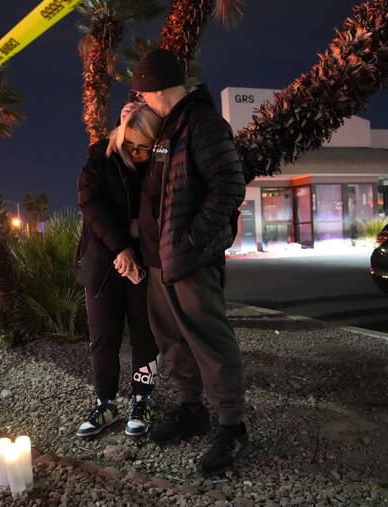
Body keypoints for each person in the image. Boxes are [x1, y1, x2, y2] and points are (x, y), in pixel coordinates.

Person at [131, 48, 249, 475]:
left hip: (190, 259)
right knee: (174, 342)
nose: (140, 99)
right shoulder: (168, 128)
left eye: (142, 93)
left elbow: (230, 186)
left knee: (211, 342)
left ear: (157, 88)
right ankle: (190, 410)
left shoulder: (203, 124)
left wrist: (193, 239)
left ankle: (231, 427)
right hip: (160, 260)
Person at [73, 102, 162, 438]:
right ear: (120, 133)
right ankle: (105, 403)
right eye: (130, 145)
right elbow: (91, 203)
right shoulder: (101, 156)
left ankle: (142, 400)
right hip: (103, 262)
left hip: (143, 264)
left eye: (144, 147)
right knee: (102, 338)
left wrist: (136, 248)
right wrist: (121, 247)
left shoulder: (157, 164)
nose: (137, 153)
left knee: (145, 334)